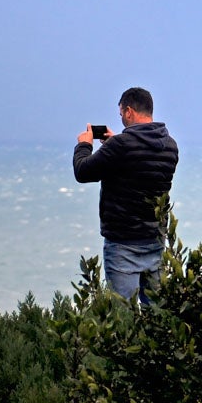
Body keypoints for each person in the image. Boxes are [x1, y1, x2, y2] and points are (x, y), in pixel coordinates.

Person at [73, 87, 179, 303]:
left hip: (123, 244)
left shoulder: (121, 146)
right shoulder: (170, 145)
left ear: (129, 111)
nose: (121, 117)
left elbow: (83, 171)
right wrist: (115, 143)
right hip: (156, 239)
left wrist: (84, 144)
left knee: (123, 319)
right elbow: (138, 163)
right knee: (157, 318)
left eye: (121, 113)